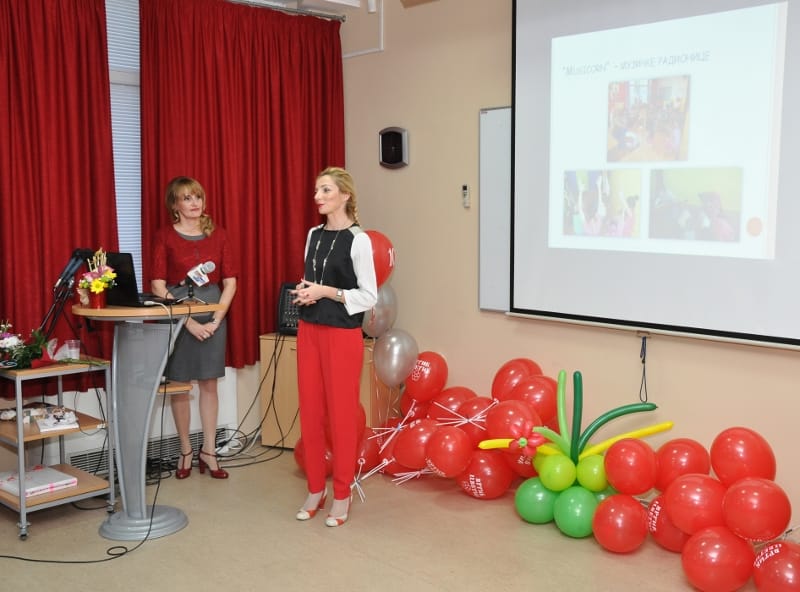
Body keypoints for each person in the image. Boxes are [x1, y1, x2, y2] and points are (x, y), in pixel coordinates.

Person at [291, 166, 378, 527]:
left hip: (342, 335)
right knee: (311, 412)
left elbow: (368, 295)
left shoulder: (359, 240)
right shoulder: (313, 234)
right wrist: (306, 292)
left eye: (325, 190)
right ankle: (316, 490)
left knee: (342, 416)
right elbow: (312, 279)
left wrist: (326, 292)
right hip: (309, 330)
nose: (318, 196)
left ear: (345, 195)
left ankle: (342, 494)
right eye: (316, 190)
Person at [150, 176, 239, 480]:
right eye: (186, 198)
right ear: (174, 205)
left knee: (209, 384)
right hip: (178, 316)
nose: (194, 203)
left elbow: (230, 282)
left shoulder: (219, 234)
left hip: (213, 314)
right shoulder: (164, 236)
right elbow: (158, 285)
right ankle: (186, 450)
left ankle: (209, 452)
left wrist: (216, 320)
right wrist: (186, 322)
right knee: (180, 384)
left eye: (197, 197)